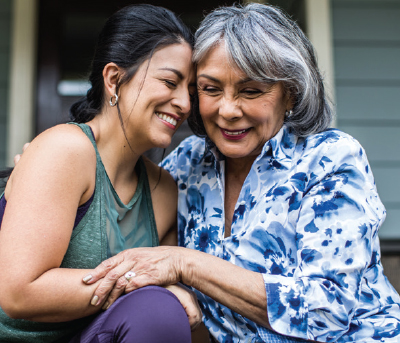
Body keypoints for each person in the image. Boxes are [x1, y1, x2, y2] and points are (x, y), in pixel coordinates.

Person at [82, 3, 400, 343]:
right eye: (211, 89)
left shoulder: (330, 158)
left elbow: (326, 311)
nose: (228, 110)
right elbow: (120, 212)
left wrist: (184, 265)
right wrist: (54, 165)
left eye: (251, 91)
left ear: (290, 94)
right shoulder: (188, 163)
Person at [0, 4, 201, 342]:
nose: (184, 103)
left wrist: (164, 293)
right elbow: (19, 293)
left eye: (192, 91)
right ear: (114, 79)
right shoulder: (65, 150)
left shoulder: (164, 191)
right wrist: (138, 283)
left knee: (159, 312)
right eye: (170, 82)